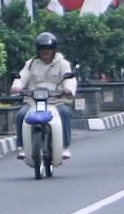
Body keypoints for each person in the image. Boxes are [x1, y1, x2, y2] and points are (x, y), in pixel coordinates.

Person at [9, 32, 78, 164]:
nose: (45, 52)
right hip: (33, 101)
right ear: (38, 50)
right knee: (21, 114)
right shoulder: (31, 63)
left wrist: (68, 89)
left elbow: (69, 78)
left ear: (54, 50)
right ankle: (22, 147)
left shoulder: (62, 63)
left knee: (64, 113)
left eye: (48, 49)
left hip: (56, 101)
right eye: (42, 49)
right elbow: (22, 76)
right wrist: (16, 87)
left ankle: (64, 147)